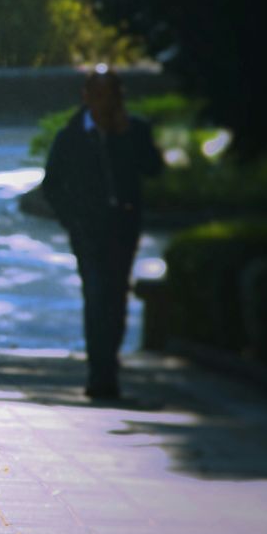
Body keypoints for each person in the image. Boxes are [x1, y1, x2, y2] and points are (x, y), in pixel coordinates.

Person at [41, 67, 164, 398]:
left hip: (122, 227)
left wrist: (126, 137)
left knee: (116, 296)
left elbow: (153, 168)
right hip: (88, 230)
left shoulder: (133, 130)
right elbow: (51, 185)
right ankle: (101, 371)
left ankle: (108, 363)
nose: (104, 103)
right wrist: (72, 219)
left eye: (111, 96)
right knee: (96, 295)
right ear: (87, 96)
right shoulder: (71, 135)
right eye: (98, 95)